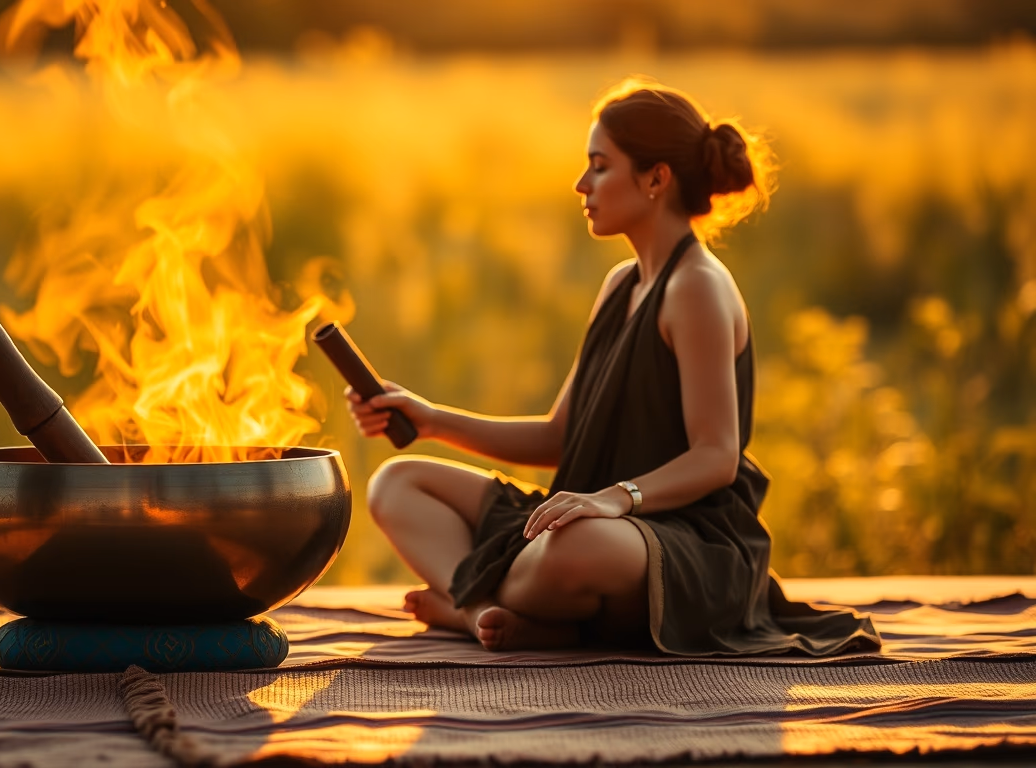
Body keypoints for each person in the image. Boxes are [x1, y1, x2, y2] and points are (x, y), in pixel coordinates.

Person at [347, 79, 880, 656]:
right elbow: (559, 435)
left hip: (683, 541)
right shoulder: (620, 284)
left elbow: (716, 456)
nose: (581, 185)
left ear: (656, 179)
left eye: (600, 167)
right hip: (592, 513)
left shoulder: (696, 288)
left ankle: (467, 606)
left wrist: (614, 498)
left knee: (576, 546)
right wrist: (428, 420)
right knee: (396, 485)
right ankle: (483, 613)